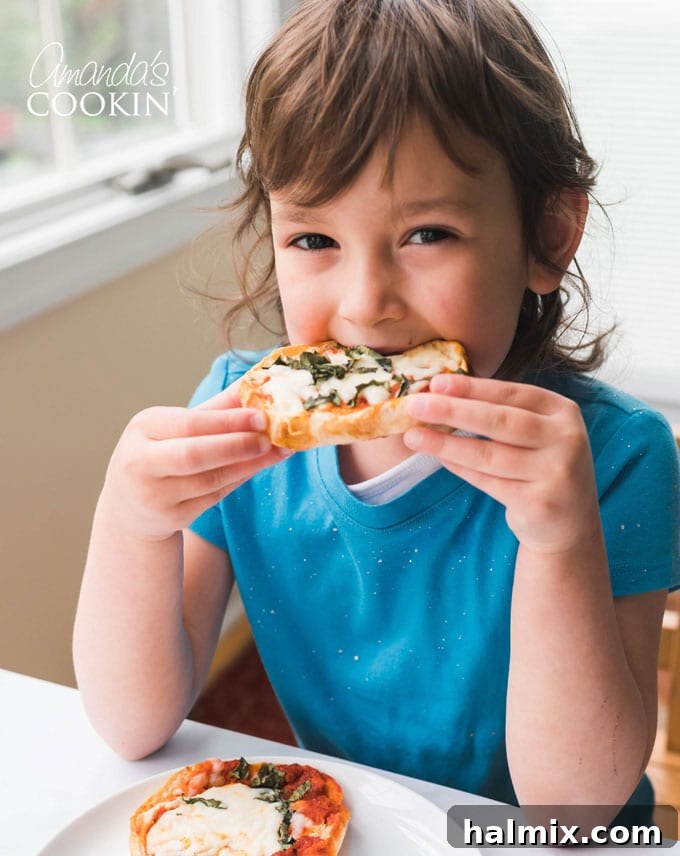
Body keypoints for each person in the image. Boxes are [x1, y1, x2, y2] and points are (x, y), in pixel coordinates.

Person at [73, 0, 679, 830]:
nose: (365, 306)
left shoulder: (615, 457)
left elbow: (570, 813)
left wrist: (557, 539)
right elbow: (129, 724)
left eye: (427, 232)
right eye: (315, 241)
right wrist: (129, 524)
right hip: (355, 826)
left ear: (548, 233)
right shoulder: (238, 421)